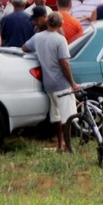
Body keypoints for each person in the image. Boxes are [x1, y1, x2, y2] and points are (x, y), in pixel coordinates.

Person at [22, 12, 80, 152]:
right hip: (61, 84)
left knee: (56, 116)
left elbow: (24, 47)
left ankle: (60, 145)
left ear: (47, 22)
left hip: (48, 85)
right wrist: (72, 83)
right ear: (61, 24)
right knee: (68, 116)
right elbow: (64, 63)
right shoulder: (60, 40)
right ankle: (68, 146)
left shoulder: (38, 37)